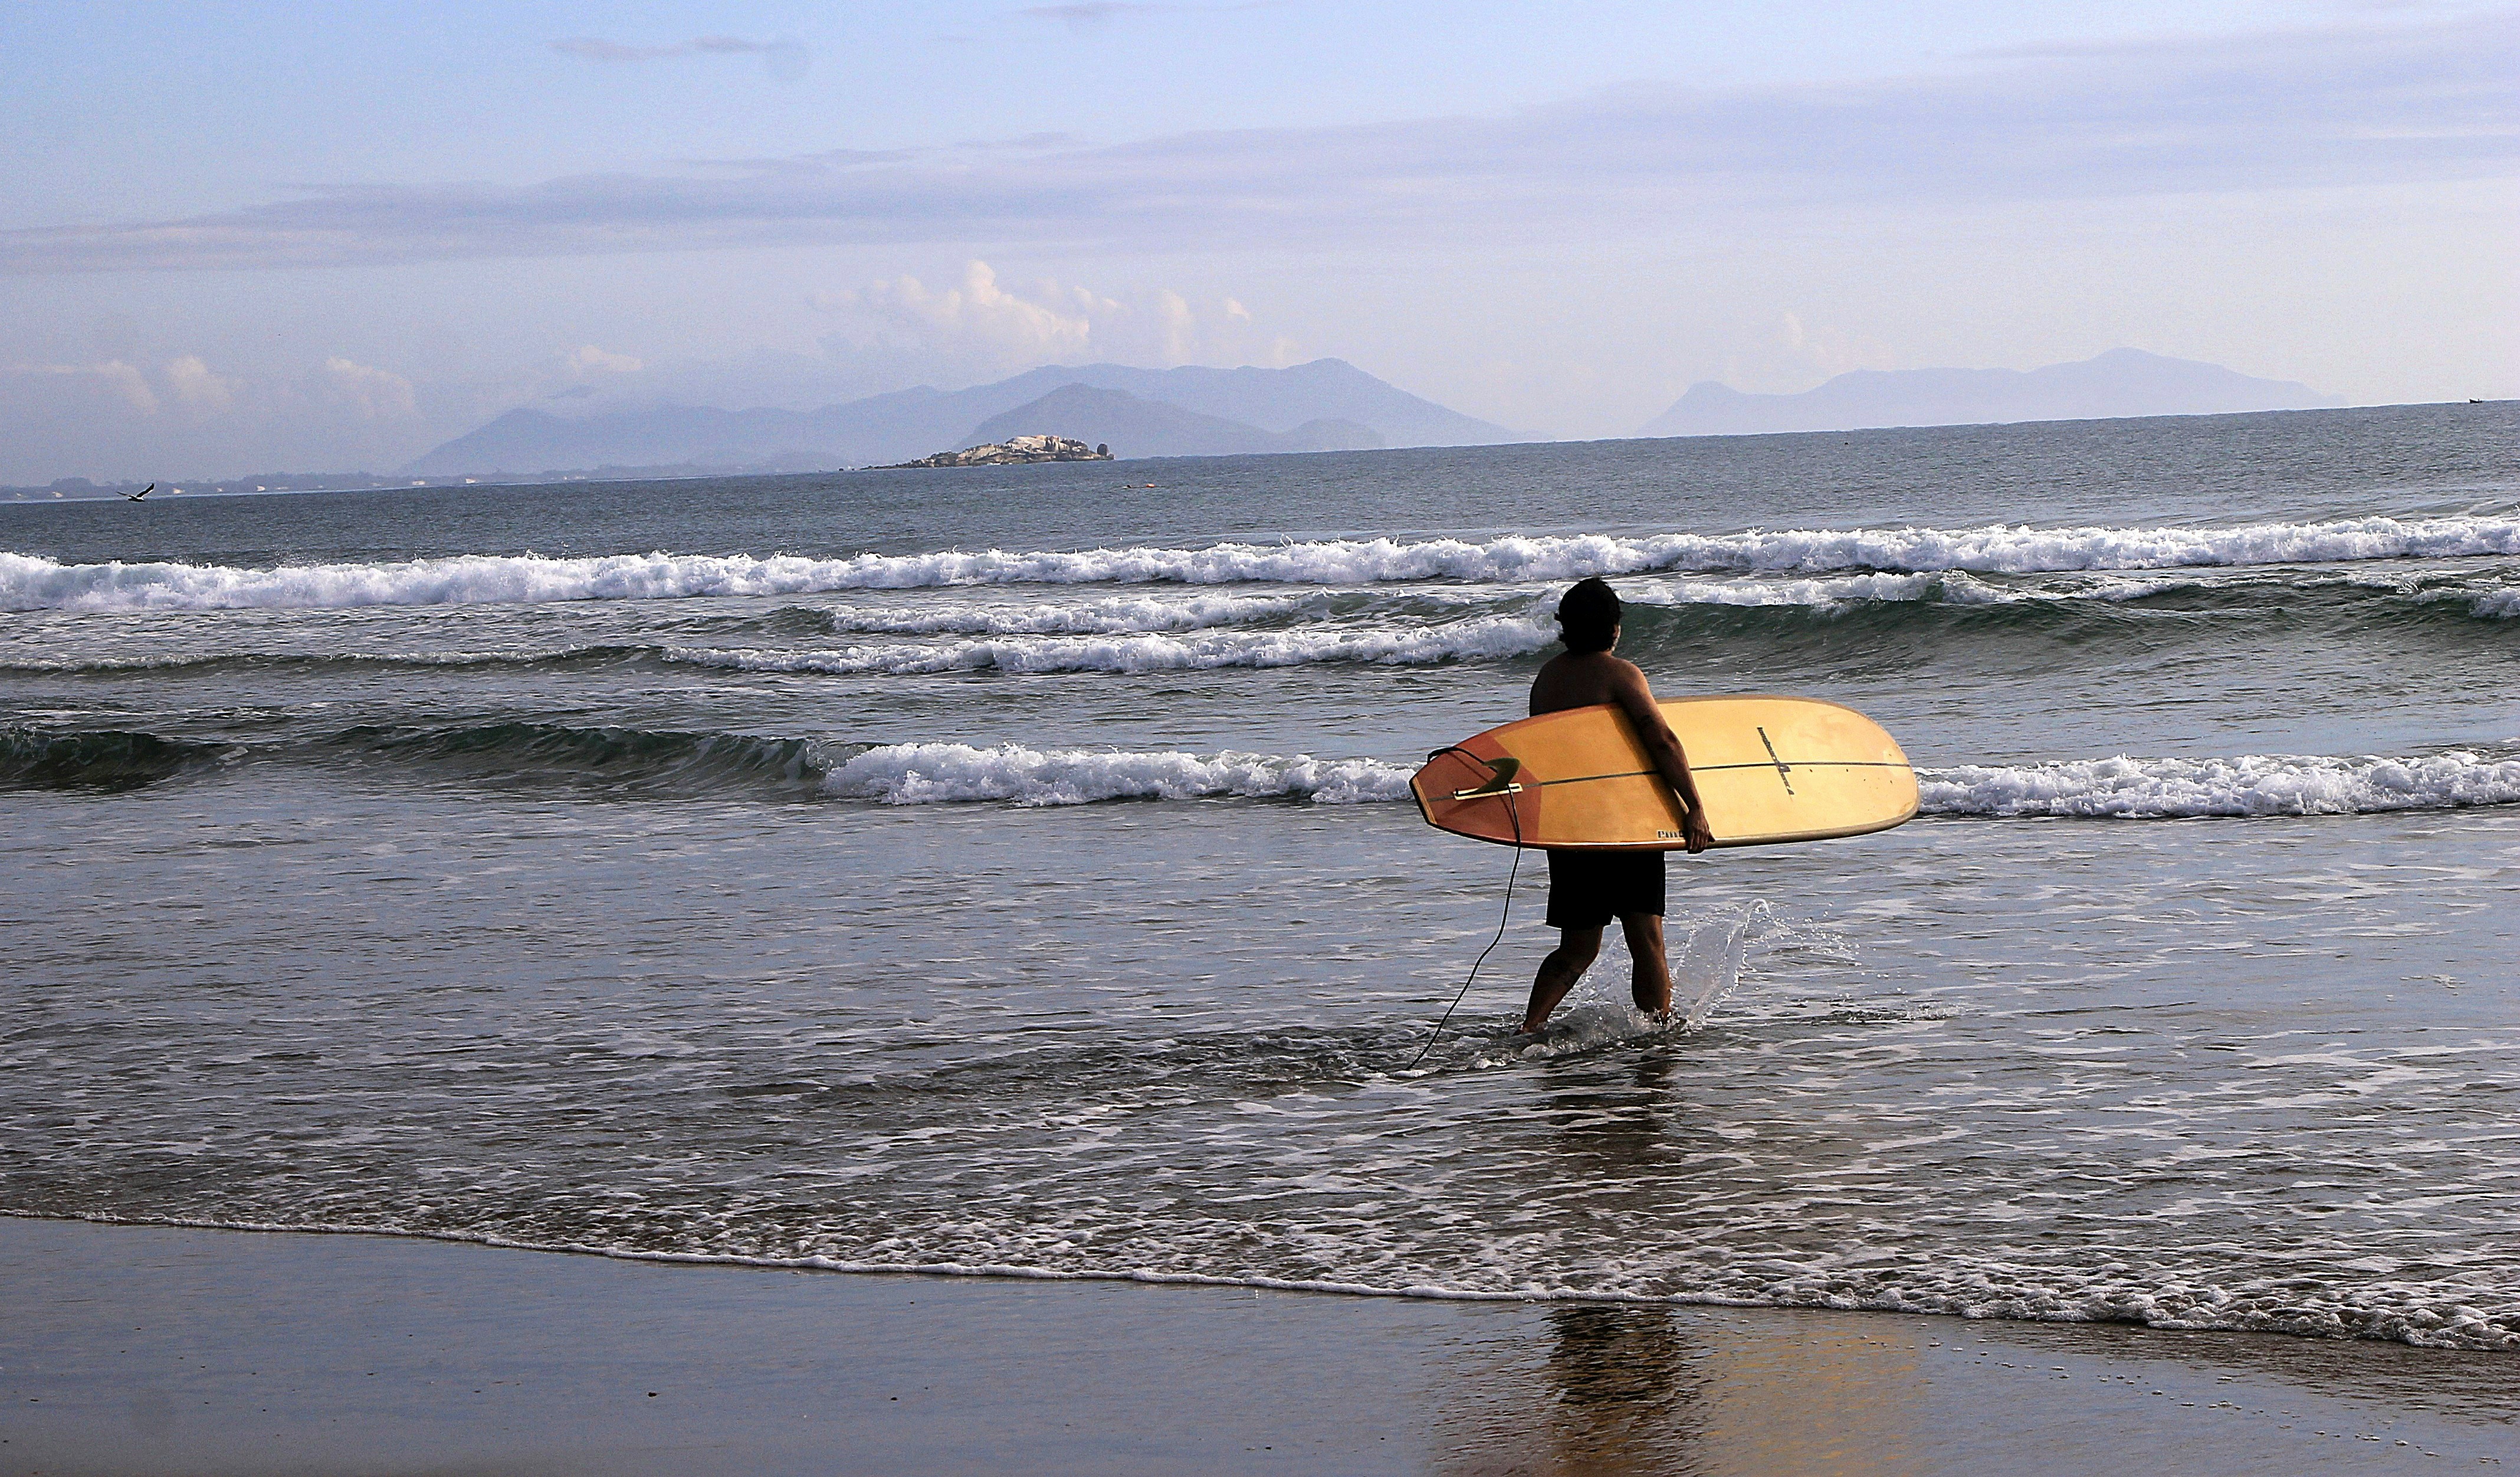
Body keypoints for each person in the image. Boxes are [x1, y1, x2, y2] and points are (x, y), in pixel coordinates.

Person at [1521, 576, 1713, 1034]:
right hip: (1622, 822)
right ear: (1613, 629)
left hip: (1570, 827)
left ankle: (1529, 1029)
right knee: (1646, 938)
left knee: (1577, 948)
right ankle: (1659, 1029)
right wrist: (1694, 806)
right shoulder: (1621, 674)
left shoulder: (1547, 679)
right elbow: (1662, 740)